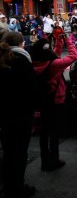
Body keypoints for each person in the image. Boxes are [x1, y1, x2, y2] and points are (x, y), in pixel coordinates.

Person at [30, 32, 77, 171]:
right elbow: (73, 56)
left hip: (42, 100)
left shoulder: (36, 63)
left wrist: (58, 41)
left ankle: (45, 161)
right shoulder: (54, 64)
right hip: (56, 100)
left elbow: (54, 54)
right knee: (54, 132)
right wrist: (68, 40)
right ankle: (54, 159)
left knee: (44, 132)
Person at [0, 32, 37, 198]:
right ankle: (17, 187)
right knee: (19, 152)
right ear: (22, 44)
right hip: (21, 113)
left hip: (4, 113)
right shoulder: (22, 60)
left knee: (8, 151)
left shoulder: (3, 58)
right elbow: (31, 88)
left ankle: (8, 185)